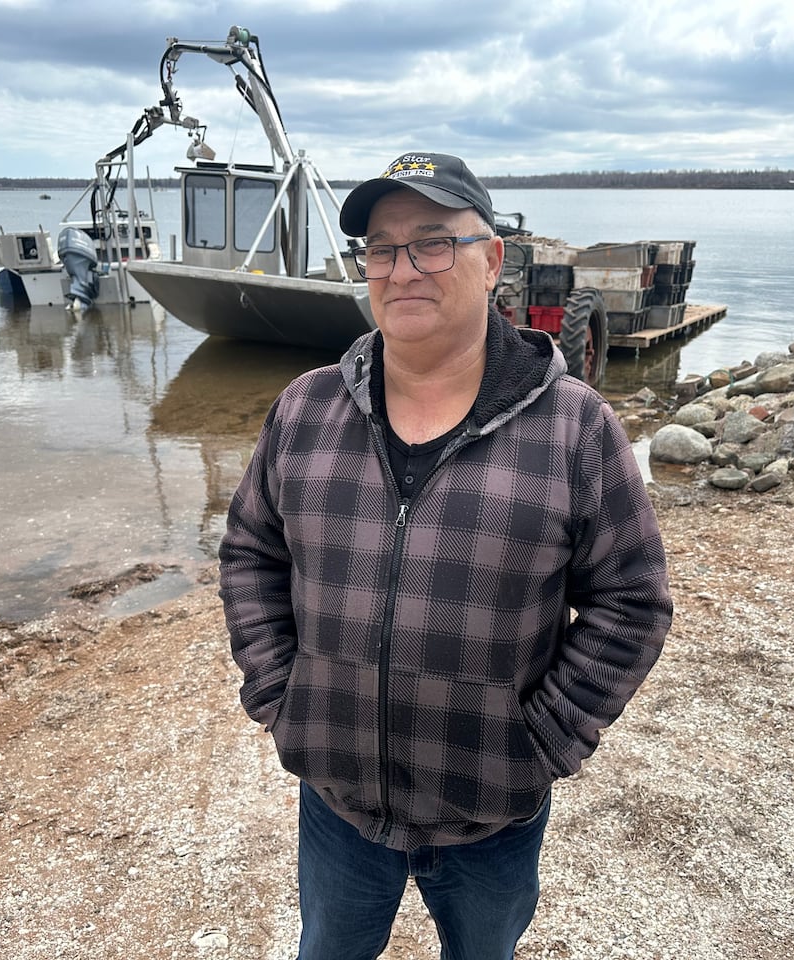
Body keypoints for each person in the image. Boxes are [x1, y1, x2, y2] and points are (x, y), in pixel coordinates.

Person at [218, 151, 673, 959]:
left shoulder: (574, 427)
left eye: (434, 243)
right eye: (383, 249)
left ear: (492, 258)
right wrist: (282, 696)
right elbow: (253, 553)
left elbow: (630, 601)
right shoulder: (307, 410)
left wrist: (545, 740)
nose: (403, 269)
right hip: (339, 803)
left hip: (493, 811)